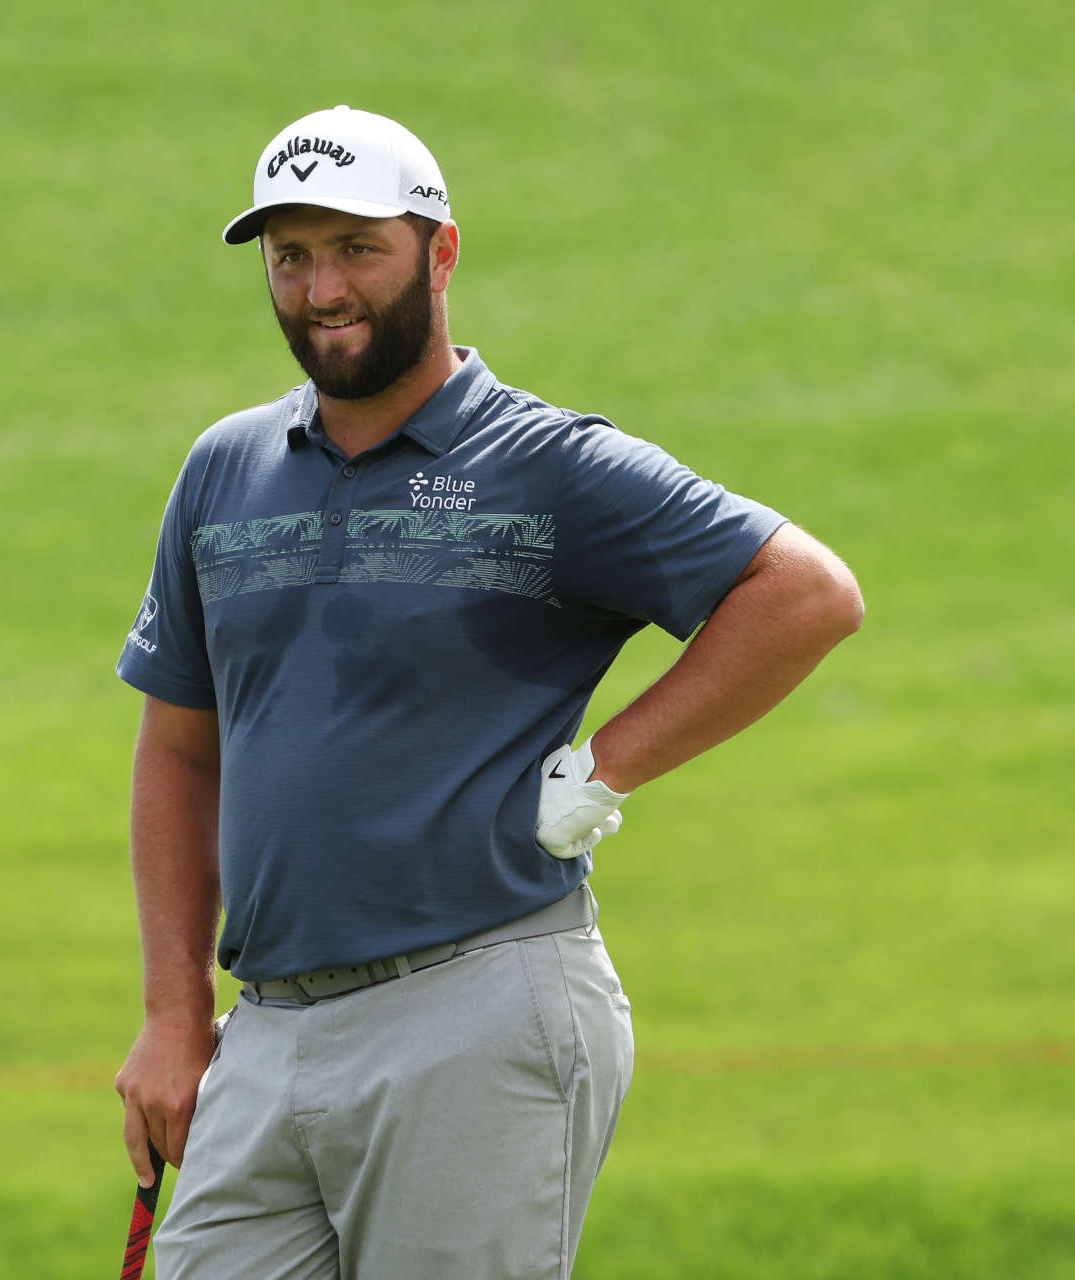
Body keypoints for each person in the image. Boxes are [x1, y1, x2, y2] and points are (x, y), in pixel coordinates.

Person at [112, 105, 864, 1279]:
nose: (322, 289)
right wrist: (173, 1012)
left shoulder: (544, 464)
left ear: (440, 252)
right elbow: (178, 750)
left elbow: (805, 592)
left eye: (357, 249)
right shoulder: (225, 469)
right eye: (291, 255)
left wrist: (600, 771)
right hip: (265, 1029)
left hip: (475, 1005)